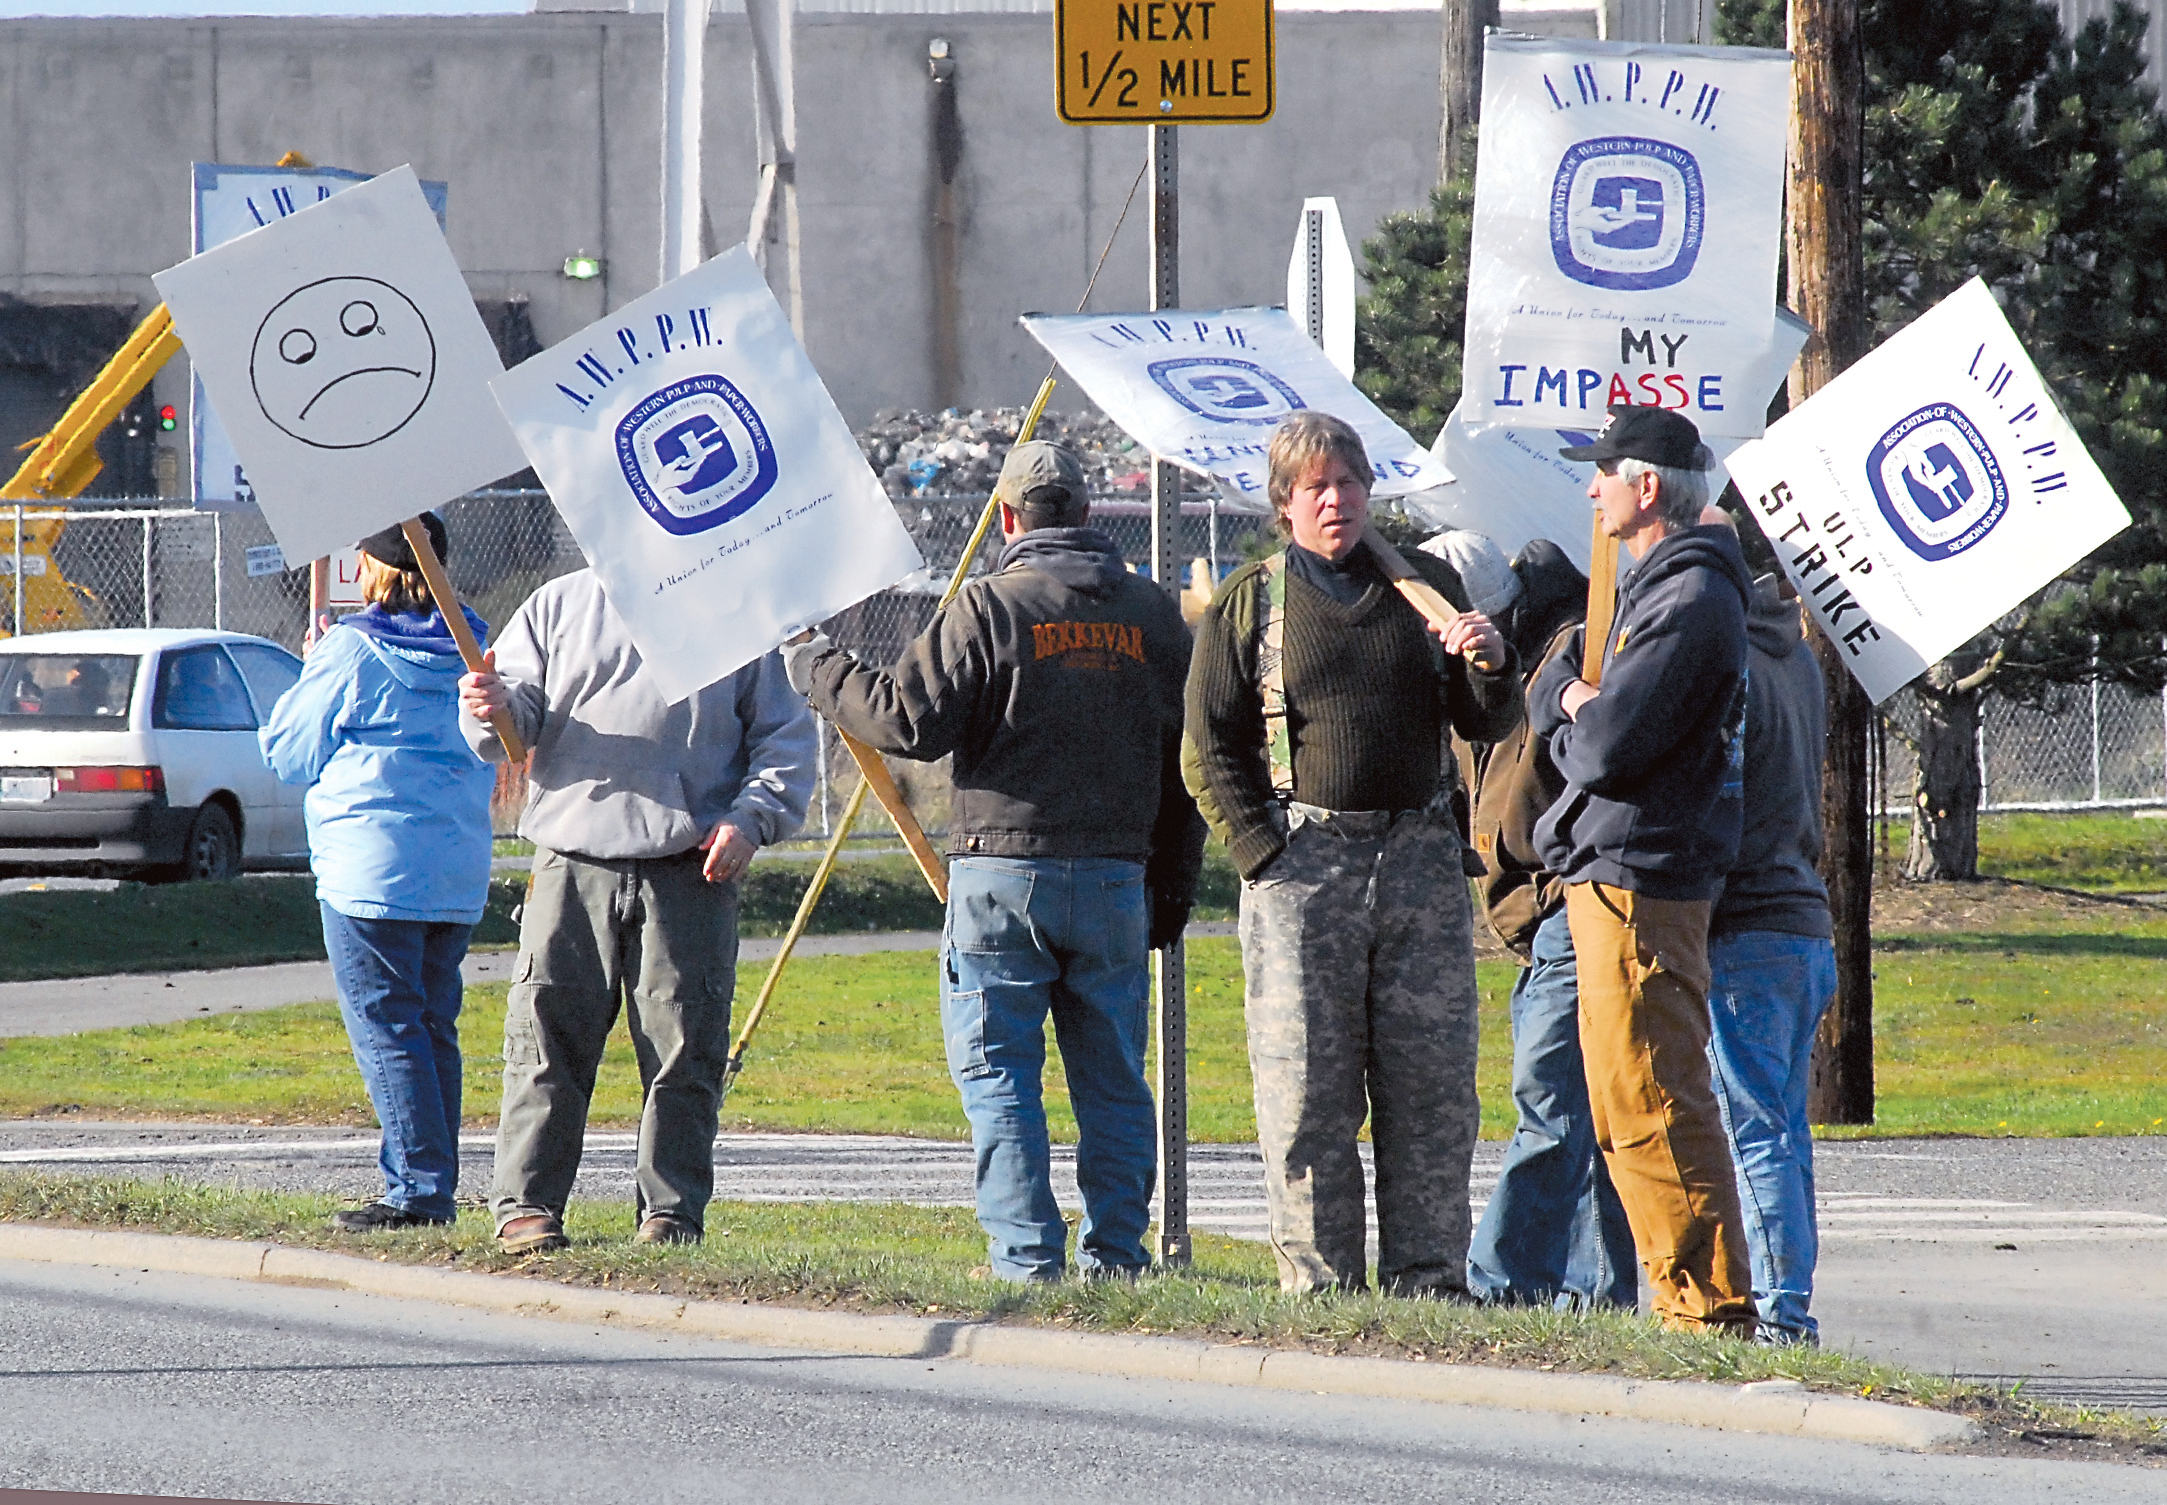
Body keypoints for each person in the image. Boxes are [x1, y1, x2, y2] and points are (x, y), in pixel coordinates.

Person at [783, 440, 1204, 1282]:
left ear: (1008, 518)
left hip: (1001, 880)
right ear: (1086, 514)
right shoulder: (1155, 615)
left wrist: (813, 661)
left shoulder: (985, 607)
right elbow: (1188, 764)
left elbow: (907, 722)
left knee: (1001, 1078)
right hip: (1119, 877)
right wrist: (1173, 886)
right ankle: (1118, 1258)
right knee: (1115, 1084)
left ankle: (1025, 1260)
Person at [1185, 410, 1520, 1296]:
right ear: (1284, 504)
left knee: (1434, 1092)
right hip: (1305, 867)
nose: (1336, 500)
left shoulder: (1426, 588)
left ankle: (1430, 1282)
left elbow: (1486, 722)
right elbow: (1206, 748)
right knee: (1306, 1097)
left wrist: (1489, 662)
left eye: (1349, 483)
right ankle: (1320, 1287)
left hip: (1417, 860)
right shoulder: (1251, 601)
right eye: (1316, 487)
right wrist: (1263, 853)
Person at [460, 567, 815, 1254]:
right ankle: (527, 1204)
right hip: (570, 861)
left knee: (685, 1048)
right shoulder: (557, 604)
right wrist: (491, 703)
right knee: (544, 1039)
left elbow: (785, 739)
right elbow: (512, 720)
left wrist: (752, 819)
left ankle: (670, 1212)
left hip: (692, 865)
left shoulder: (737, 607)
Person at [1527, 403, 1757, 1335]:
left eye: (1603, 471)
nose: (1592, 488)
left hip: (1642, 878)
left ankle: (1705, 1308)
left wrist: (1562, 695)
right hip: (1619, 873)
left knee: (1655, 1096)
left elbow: (1607, 745)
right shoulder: (1658, 587)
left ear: (1646, 485)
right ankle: (1680, 1295)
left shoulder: (1688, 597)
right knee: (1626, 1099)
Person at [259, 511, 495, 1232]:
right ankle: (433, 1179)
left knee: (388, 1027)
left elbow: (288, 753)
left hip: (370, 869)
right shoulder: (476, 645)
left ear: (373, 568)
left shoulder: (353, 650)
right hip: (454, 868)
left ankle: (418, 1192)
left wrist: (312, 672)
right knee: (432, 1023)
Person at [1445, 531, 1638, 1311]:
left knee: (1552, 1107)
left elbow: (1560, 783)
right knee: (1584, 1114)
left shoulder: (1571, 652)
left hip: (1568, 901)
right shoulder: (1489, 669)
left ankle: (1505, 1281)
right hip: (1532, 917)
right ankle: (1600, 1292)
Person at [1701, 508, 1837, 1344]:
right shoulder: (1797, 656)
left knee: (1753, 1127)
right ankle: (1793, 1303)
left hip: (1746, 921)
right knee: (1785, 1129)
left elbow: (1725, 792)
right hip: (1802, 920)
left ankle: (1782, 1317)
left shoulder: (1733, 657)